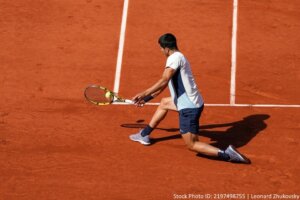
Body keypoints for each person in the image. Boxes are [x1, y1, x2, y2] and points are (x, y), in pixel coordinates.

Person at [129, 33, 250, 164]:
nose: (161, 51)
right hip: (192, 102)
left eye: (161, 48)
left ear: (166, 49)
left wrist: (143, 93)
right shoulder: (179, 58)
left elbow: (163, 80)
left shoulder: (174, 58)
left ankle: (227, 155)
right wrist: (146, 99)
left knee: (192, 145)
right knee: (164, 103)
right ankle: (144, 135)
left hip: (188, 107)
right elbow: (164, 86)